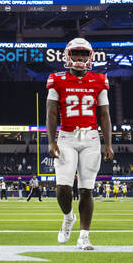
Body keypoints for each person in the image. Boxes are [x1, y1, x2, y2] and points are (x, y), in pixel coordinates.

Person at [47, 38, 112, 250]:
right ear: (68, 55)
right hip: (66, 137)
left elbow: (104, 114)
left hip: (91, 138)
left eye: (84, 54)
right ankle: (68, 217)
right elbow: (51, 112)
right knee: (62, 187)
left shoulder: (99, 79)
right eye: (76, 53)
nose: (80, 57)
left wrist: (108, 143)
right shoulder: (56, 79)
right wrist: (51, 141)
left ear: (90, 56)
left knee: (86, 189)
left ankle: (84, 236)